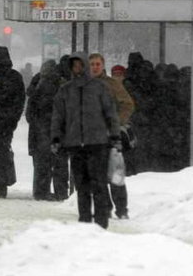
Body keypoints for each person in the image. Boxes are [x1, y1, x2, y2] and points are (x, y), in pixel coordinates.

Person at [51, 52, 120, 229]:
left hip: (97, 143)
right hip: (75, 144)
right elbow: (58, 116)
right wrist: (56, 137)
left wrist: (114, 135)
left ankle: (100, 222)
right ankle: (85, 222)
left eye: (80, 65)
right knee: (82, 187)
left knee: (98, 185)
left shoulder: (99, 88)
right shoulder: (65, 90)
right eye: (74, 65)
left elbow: (110, 113)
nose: (77, 68)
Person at [89, 53, 135, 219]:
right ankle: (104, 207)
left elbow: (128, 104)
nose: (94, 67)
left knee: (115, 173)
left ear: (103, 66)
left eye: (97, 64)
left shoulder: (112, 84)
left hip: (109, 136)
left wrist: (116, 122)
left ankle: (121, 209)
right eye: (92, 64)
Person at [26, 59, 68, 200]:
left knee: (42, 163)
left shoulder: (37, 85)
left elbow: (30, 113)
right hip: (57, 128)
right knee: (59, 162)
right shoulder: (61, 84)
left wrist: (36, 122)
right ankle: (60, 192)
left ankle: (40, 191)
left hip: (40, 129)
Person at [0, 46, 26, 198]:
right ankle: (0, 188)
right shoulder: (15, 77)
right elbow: (19, 102)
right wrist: (11, 121)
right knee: (1, 156)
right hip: (5, 125)